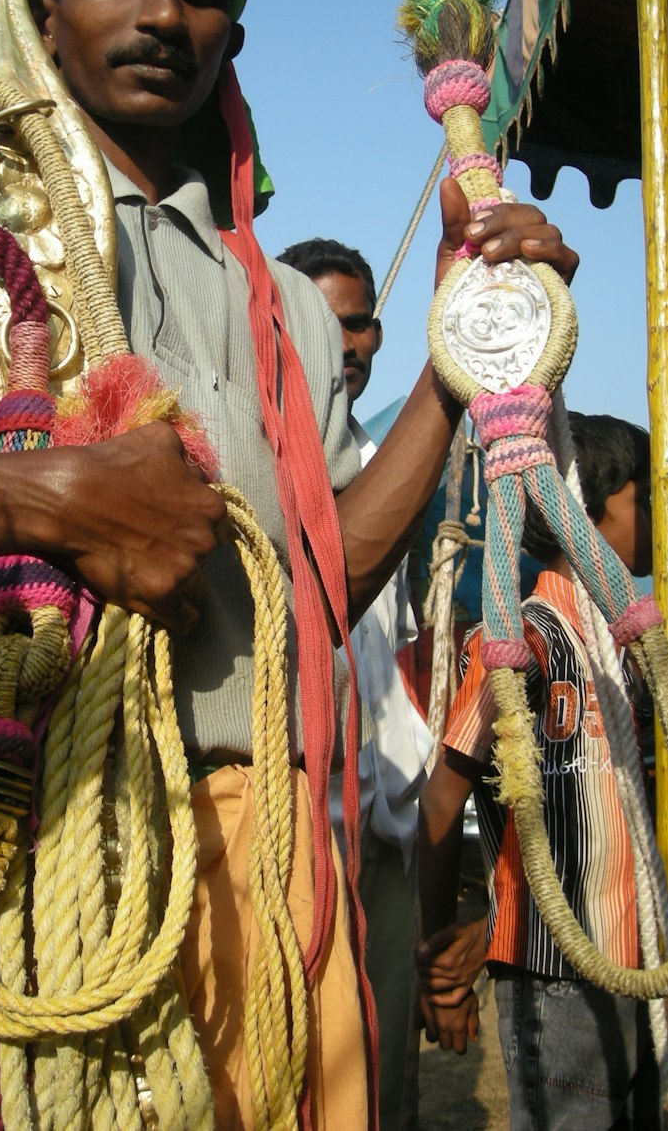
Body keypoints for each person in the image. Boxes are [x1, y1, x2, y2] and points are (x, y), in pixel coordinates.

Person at [0, 0, 579, 1130]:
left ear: (235, 32)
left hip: (269, 852)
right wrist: (39, 500)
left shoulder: (285, 309)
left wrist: (464, 349)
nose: (164, 11)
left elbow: (337, 573)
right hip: (23, 830)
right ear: (47, 6)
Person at [417, 413, 660, 1129]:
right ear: (585, 508)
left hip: (635, 952)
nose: (662, 515)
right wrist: (439, 963)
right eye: (646, 498)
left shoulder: (626, 644)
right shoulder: (517, 638)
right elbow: (442, 798)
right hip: (554, 971)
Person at [276, 237, 433, 1130]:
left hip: (384, 843)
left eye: (363, 321)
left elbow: (395, 655)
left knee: (382, 1087)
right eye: (328, 322)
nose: (351, 344)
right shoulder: (248, 452)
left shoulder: (387, 466)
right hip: (294, 837)